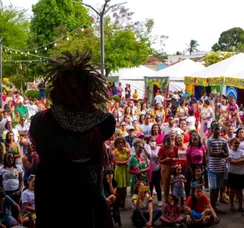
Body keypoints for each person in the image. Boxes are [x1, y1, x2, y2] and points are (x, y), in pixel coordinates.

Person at [30, 51, 116, 228]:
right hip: (82, 185)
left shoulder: (40, 120)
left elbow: (42, 150)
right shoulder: (104, 122)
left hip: (52, 186)